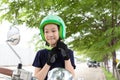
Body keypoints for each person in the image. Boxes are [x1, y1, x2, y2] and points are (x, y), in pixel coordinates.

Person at [32, 15, 76, 80]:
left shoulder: (69, 52)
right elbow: (36, 79)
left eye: (53, 31)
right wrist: (48, 63)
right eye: (46, 32)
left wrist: (66, 58)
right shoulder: (40, 53)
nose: (50, 35)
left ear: (60, 32)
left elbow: (72, 77)